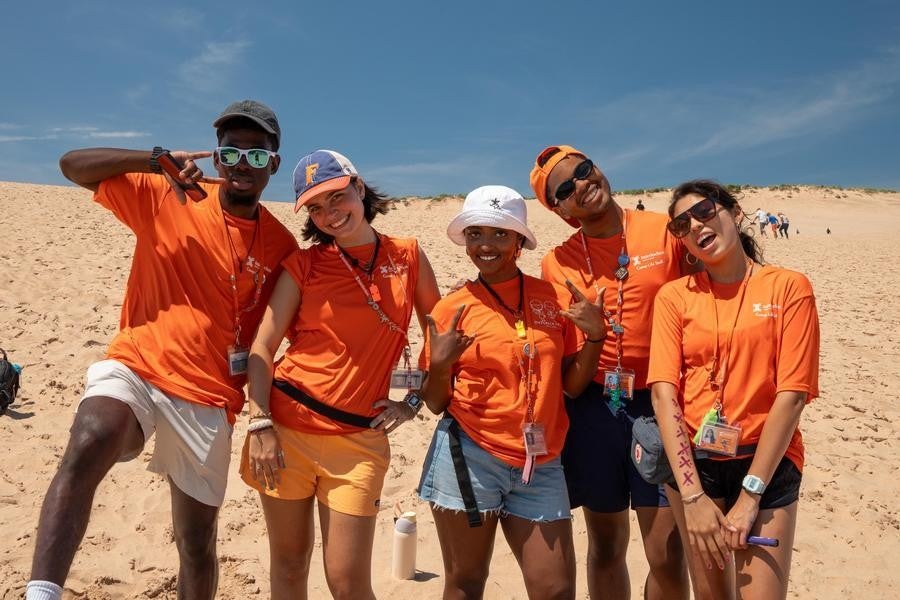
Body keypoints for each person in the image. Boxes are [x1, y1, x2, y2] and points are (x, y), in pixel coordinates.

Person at [27, 100, 297, 600]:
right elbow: (71, 165)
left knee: (196, 542)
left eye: (257, 156)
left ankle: (131, 440)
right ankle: (41, 594)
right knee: (92, 434)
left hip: (211, 395)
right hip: (140, 362)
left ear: (273, 166)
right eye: (231, 151)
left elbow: (285, 333)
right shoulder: (166, 193)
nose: (242, 163)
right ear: (216, 158)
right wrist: (150, 160)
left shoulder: (282, 246)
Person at [239, 149, 441, 599]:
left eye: (336, 198)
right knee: (289, 566)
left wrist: (412, 401)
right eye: (315, 206)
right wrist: (260, 422)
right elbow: (263, 348)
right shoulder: (304, 266)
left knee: (348, 581)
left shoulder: (407, 255)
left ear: (359, 188)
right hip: (285, 431)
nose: (329, 214)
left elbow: (436, 331)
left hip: (358, 441)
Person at [417, 185, 607, 599]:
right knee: (466, 582)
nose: (486, 245)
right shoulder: (451, 308)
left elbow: (571, 386)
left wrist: (595, 339)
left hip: (541, 462)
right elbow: (435, 403)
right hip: (469, 455)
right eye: (476, 233)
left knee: (556, 589)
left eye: (501, 234)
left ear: (519, 240)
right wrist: (440, 364)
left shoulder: (551, 297)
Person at [529, 145, 691, 600]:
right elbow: (571, 380)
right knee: (605, 545)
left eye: (583, 170)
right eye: (565, 188)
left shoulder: (665, 231)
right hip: (595, 410)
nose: (581, 184)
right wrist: (596, 338)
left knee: (667, 551)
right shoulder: (557, 263)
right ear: (559, 211)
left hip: (663, 402)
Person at [648, 180, 819, 600]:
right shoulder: (674, 297)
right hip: (696, 467)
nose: (695, 226)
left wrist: (750, 496)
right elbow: (664, 394)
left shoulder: (788, 286)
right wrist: (691, 497)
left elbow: (793, 393)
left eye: (705, 211)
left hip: (767, 460)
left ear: (735, 212)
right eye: (681, 225)